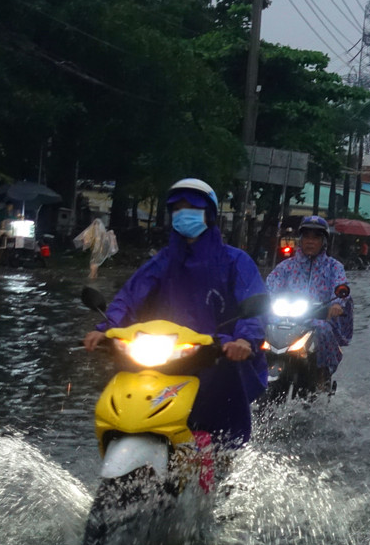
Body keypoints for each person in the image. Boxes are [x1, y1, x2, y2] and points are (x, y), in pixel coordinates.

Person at [82, 178, 268, 447]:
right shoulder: (164, 260)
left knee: (225, 428)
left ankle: (225, 458)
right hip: (167, 353)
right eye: (177, 209)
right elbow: (130, 296)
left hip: (216, 355)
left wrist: (244, 340)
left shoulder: (235, 261)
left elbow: (253, 304)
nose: (184, 214)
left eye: (191, 207)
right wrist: (104, 328)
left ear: (209, 214)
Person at [266, 215, 354, 389]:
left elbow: (341, 287)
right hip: (285, 319)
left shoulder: (333, 267)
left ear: (324, 242)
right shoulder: (286, 266)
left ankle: (322, 374)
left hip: (317, 319)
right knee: (261, 330)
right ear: (300, 239)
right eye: (306, 236)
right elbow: (269, 286)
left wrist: (337, 305)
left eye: (316, 237)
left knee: (324, 330)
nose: (310, 241)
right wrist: (260, 301)